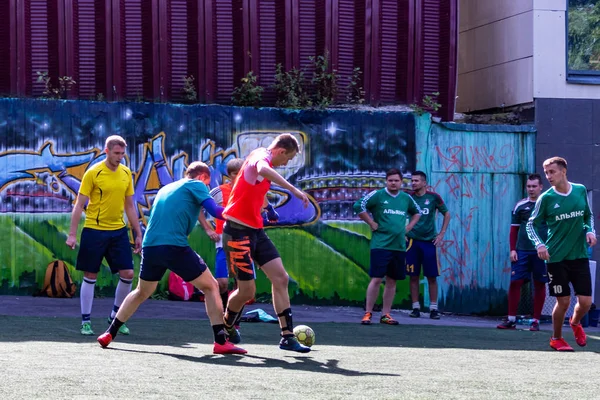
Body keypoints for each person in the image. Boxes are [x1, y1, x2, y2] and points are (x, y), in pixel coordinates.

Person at [97, 161, 246, 354]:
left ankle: (109, 333)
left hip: (151, 247)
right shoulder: (197, 185)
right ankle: (220, 341)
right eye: (208, 184)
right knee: (211, 286)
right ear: (202, 177)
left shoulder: (167, 188)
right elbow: (216, 211)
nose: (207, 188)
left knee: (142, 291)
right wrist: (243, 212)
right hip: (174, 246)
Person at [221, 133, 311, 353]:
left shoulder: (264, 162)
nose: (286, 163)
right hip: (236, 232)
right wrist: (294, 190)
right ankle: (226, 325)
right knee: (247, 292)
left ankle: (287, 337)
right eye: (287, 159)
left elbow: (254, 186)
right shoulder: (261, 156)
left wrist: (268, 206)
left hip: (256, 231)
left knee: (281, 278)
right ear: (281, 151)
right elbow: (261, 169)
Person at [66, 135, 142, 336]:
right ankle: (86, 321)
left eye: (122, 153)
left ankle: (115, 317)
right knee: (90, 275)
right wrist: (72, 235)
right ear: (107, 151)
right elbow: (79, 204)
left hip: (118, 231)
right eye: (116, 153)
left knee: (128, 274)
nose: (120, 157)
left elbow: (129, 205)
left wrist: (138, 233)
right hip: (94, 230)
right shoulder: (94, 173)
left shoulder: (126, 173)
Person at [526, 157, 596, 352]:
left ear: (564, 171)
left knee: (585, 303)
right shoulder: (546, 198)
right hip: (555, 257)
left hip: (579, 254)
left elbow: (587, 215)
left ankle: (575, 323)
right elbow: (531, 224)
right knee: (563, 301)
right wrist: (539, 244)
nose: (549, 176)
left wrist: (590, 230)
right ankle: (556, 338)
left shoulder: (580, 190)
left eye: (552, 172)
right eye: (546, 173)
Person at [354, 168, 421, 325]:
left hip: (398, 246)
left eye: (396, 180)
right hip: (381, 245)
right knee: (376, 279)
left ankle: (386, 314)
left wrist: (409, 228)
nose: (393, 183)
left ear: (401, 182)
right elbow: (358, 206)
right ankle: (368, 313)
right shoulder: (378, 195)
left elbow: (417, 213)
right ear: (386, 181)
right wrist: (370, 222)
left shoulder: (406, 198)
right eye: (390, 180)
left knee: (392, 281)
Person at [497, 174, 547, 331]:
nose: (531, 189)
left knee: (539, 284)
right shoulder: (520, 206)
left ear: (541, 187)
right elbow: (513, 230)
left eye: (534, 186)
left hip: (542, 252)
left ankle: (536, 321)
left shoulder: (548, 204)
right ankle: (511, 319)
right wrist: (513, 249)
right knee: (515, 282)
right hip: (522, 251)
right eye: (529, 186)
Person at [406, 171, 450, 320]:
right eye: (412, 181)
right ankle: (415, 307)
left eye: (416, 181)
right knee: (413, 276)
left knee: (432, 276)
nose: (413, 183)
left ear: (424, 183)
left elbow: (447, 214)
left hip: (429, 242)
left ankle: (433, 309)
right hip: (412, 242)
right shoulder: (409, 198)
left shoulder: (433, 197)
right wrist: (404, 232)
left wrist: (442, 234)